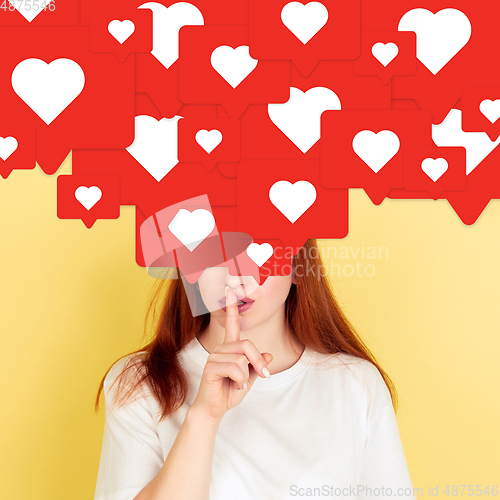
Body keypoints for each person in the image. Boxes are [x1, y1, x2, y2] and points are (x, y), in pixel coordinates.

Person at [93, 239, 417, 500]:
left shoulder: (355, 384)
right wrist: (204, 417)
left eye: (258, 251)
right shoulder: (139, 383)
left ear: (296, 265)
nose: (234, 279)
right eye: (211, 252)